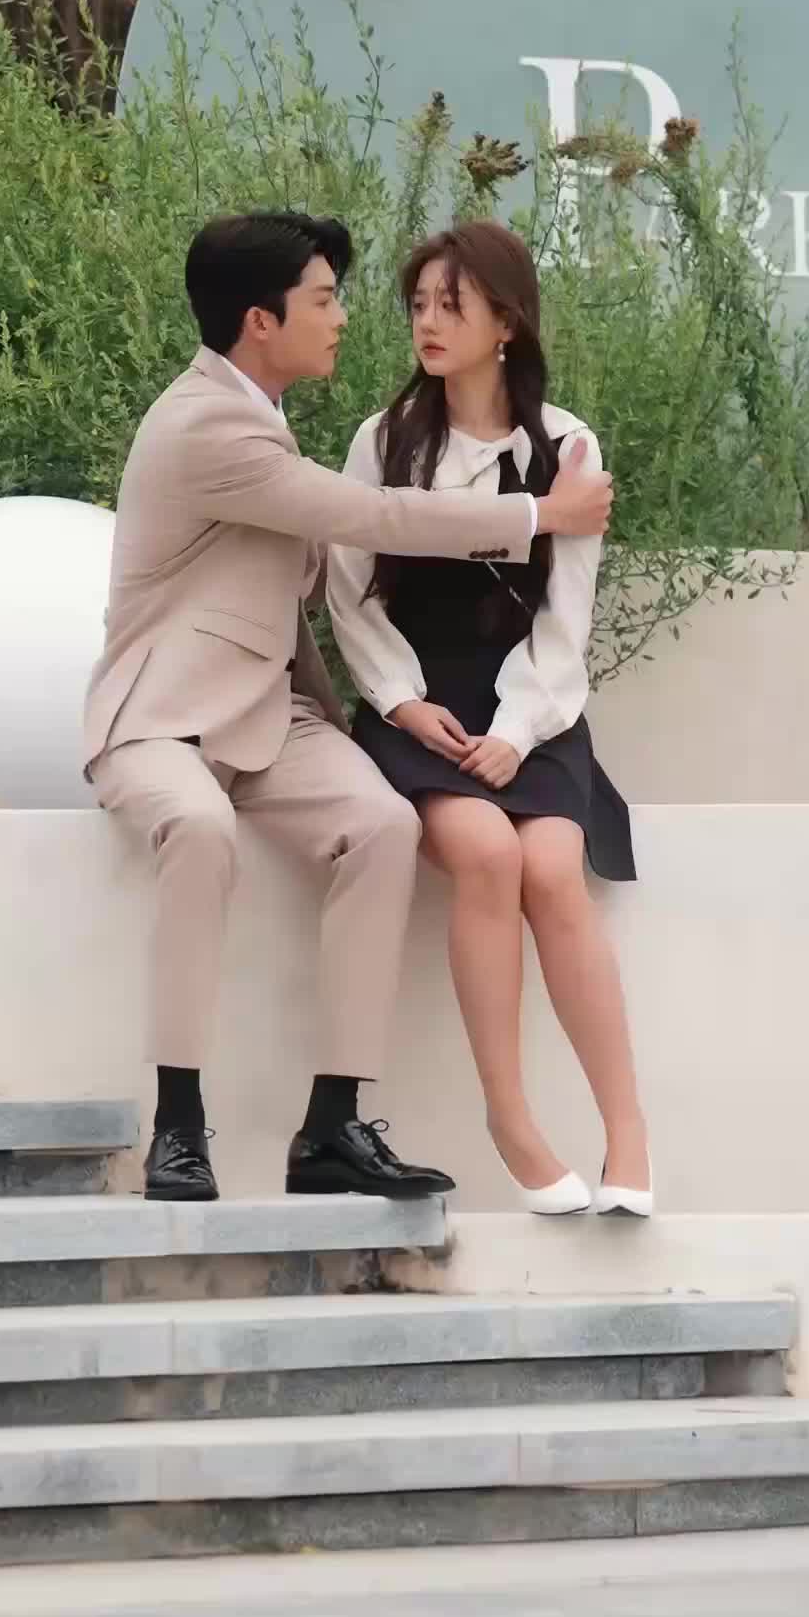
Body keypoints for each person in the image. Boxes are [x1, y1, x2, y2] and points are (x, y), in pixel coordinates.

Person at [84, 211, 614, 1204]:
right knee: (199, 827)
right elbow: (371, 519)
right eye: (325, 301)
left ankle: (332, 1126)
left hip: (269, 715)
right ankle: (178, 1124)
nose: (344, 319)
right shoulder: (207, 424)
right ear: (261, 320)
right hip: (162, 718)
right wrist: (541, 514)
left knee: (381, 825)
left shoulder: (265, 413)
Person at [327, 220, 651, 1218]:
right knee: (485, 852)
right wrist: (401, 701)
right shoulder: (384, 440)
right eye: (418, 304)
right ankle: (510, 1120)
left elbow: (567, 616)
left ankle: (630, 1134)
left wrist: (515, 731)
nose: (427, 322)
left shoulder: (566, 445)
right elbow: (349, 591)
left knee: (553, 869)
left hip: (532, 707)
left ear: (506, 323)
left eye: (451, 305)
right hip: (417, 702)